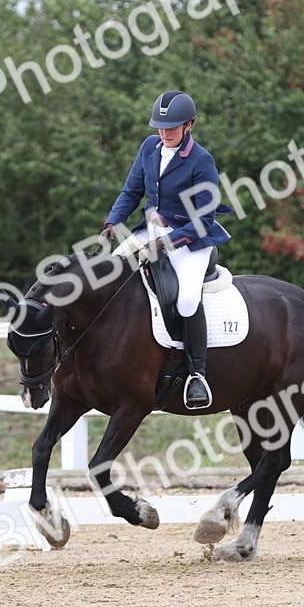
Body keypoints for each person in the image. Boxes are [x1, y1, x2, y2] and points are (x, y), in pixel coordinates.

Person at [100, 90, 232, 409]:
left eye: (171, 127)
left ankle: (196, 375)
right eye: (160, 127)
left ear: (189, 125)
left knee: (186, 300)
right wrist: (112, 222)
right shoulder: (149, 147)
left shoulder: (201, 161)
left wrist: (169, 241)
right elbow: (131, 191)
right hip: (152, 230)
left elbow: (204, 219)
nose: (164, 132)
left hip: (191, 239)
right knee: (109, 279)